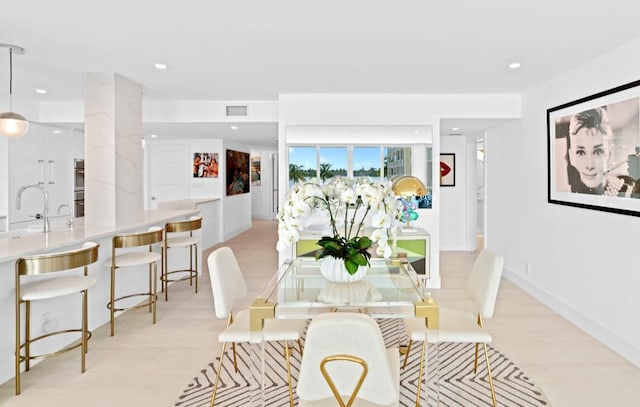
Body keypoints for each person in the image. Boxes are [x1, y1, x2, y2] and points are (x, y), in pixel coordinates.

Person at [565, 107, 638, 197]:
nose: (590, 165)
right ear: (571, 156)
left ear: (610, 154)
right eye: (580, 152)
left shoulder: (629, 193)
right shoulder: (570, 195)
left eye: (598, 152)